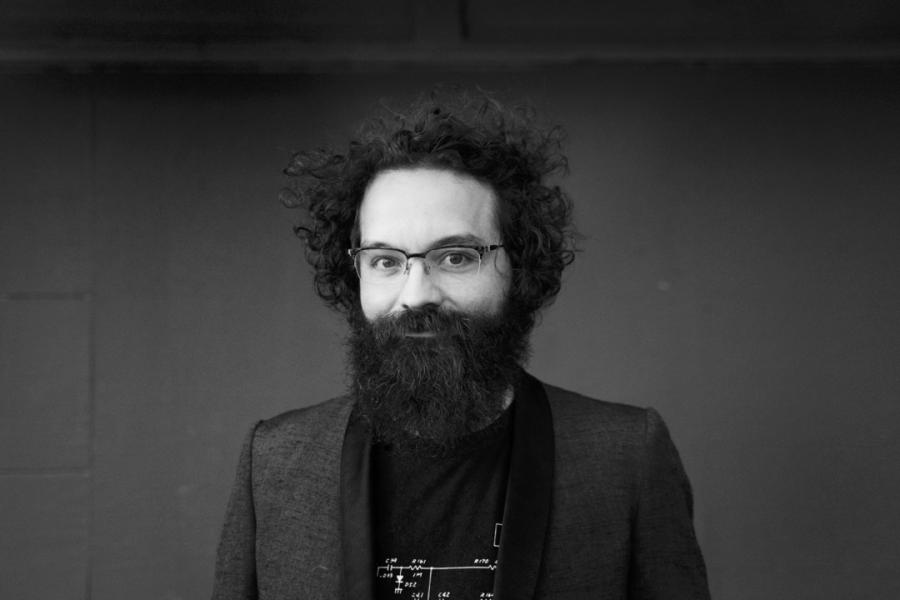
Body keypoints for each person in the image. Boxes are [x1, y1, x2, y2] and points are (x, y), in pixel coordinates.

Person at [211, 91, 710, 599]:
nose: (416, 294)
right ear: (355, 272)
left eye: (455, 257)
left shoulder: (626, 457)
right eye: (386, 261)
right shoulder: (274, 461)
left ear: (518, 266)